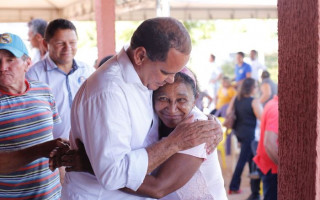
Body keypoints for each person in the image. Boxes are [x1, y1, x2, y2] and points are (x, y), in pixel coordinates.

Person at [60, 17, 222, 200]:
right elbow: (113, 175)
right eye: (166, 72)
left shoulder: (145, 81)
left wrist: (212, 125)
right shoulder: (109, 91)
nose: (170, 80)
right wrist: (174, 142)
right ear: (140, 56)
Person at [0, 33, 64, 199]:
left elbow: (54, 139)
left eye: (10, 59)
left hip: (51, 195)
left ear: (27, 63)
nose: (2, 67)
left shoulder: (44, 91)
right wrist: (40, 150)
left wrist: (63, 187)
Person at [27, 19, 95, 140]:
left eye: (72, 42)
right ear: (45, 44)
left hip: (86, 147)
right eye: (60, 43)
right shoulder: (34, 76)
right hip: (52, 151)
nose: (67, 48)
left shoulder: (88, 71)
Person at [227, 78, 262, 200]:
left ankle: (255, 190)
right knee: (243, 161)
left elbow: (228, 112)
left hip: (239, 133)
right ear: (252, 88)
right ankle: (233, 186)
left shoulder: (236, 98)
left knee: (252, 160)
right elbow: (262, 117)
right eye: (256, 86)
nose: (257, 89)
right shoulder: (254, 101)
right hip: (250, 135)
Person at [253, 95, 279, 200]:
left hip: (267, 164)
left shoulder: (272, 103)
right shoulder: (277, 109)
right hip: (272, 167)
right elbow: (269, 144)